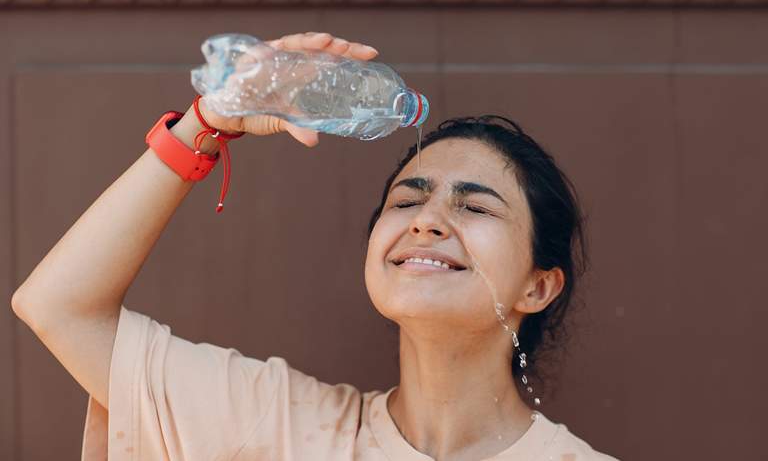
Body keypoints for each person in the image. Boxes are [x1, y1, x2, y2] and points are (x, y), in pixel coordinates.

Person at [11, 32, 619, 461]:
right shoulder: (276, 424)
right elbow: (58, 306)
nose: (427, 221)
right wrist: (207, 124)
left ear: (538, 285)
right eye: (407, 200)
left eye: (476, 205)